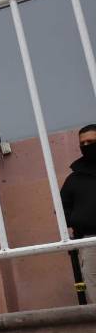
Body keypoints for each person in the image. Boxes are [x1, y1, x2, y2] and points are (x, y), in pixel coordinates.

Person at [60, 124, 96, 297]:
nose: (87, 146)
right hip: (89, 241)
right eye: (83, 143)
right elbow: (61, 208)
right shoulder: (74, 179)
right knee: (92, 286)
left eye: (92, 141)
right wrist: (77, 219)